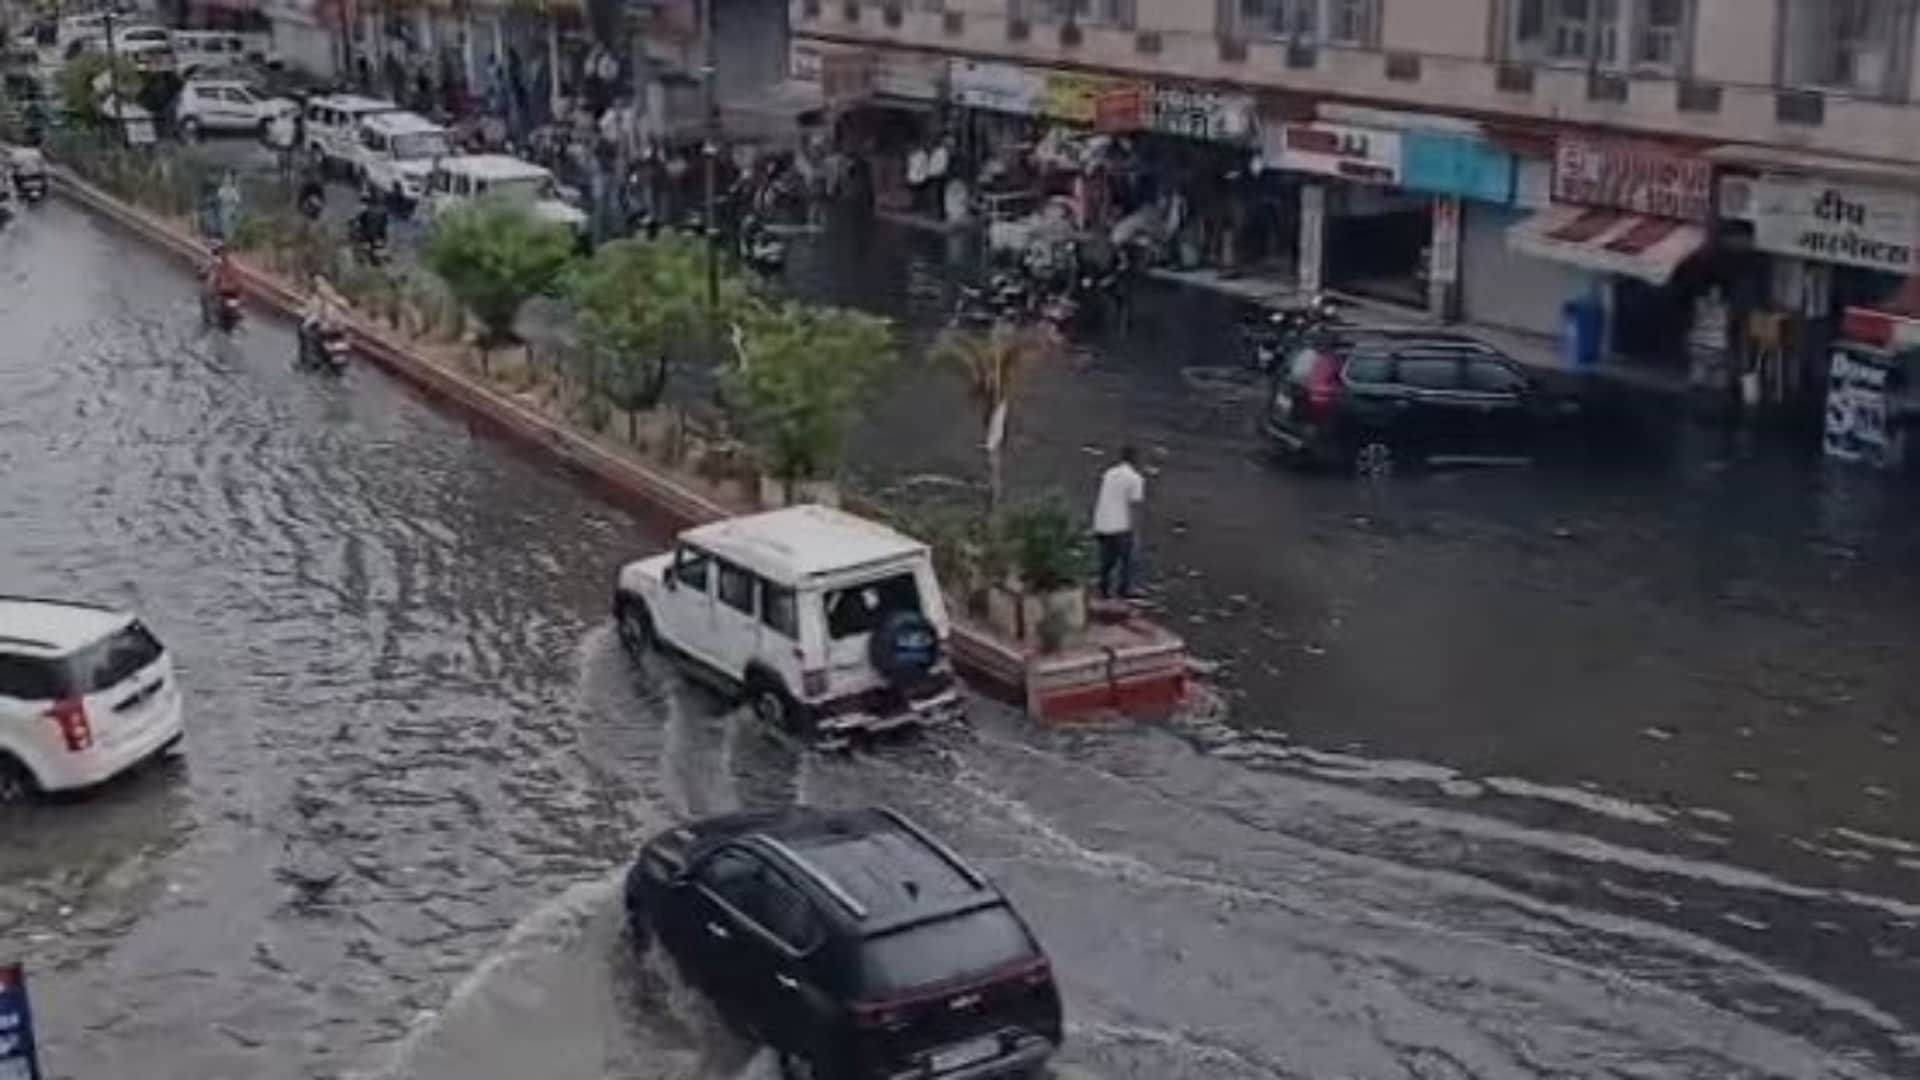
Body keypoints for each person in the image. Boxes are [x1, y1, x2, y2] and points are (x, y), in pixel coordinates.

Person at [1091, 445, 1146, 600]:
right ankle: (1125, 589)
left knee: (1106, 560)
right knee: (1130, 559)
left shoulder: (1109, 473)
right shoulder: (1135, 479)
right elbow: (1134, 506)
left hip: (1101, 523)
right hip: (1120, 526)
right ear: (1135, 459)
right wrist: (1135, 530)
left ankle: (1103, 589)